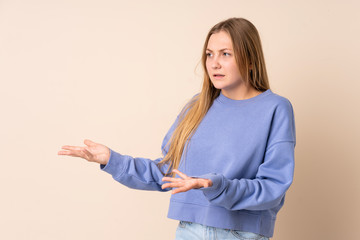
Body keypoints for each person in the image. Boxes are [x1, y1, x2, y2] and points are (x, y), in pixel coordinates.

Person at [58, 17, 296, 240]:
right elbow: (168, 173)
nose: (214, 63)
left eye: (225, 54)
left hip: (241, 233)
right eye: (209, 54)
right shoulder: (197, 106)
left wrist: (214, 185)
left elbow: (273, 186)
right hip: (189, 231)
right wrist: (112, 159)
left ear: (251, 59)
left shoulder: (275, 108)